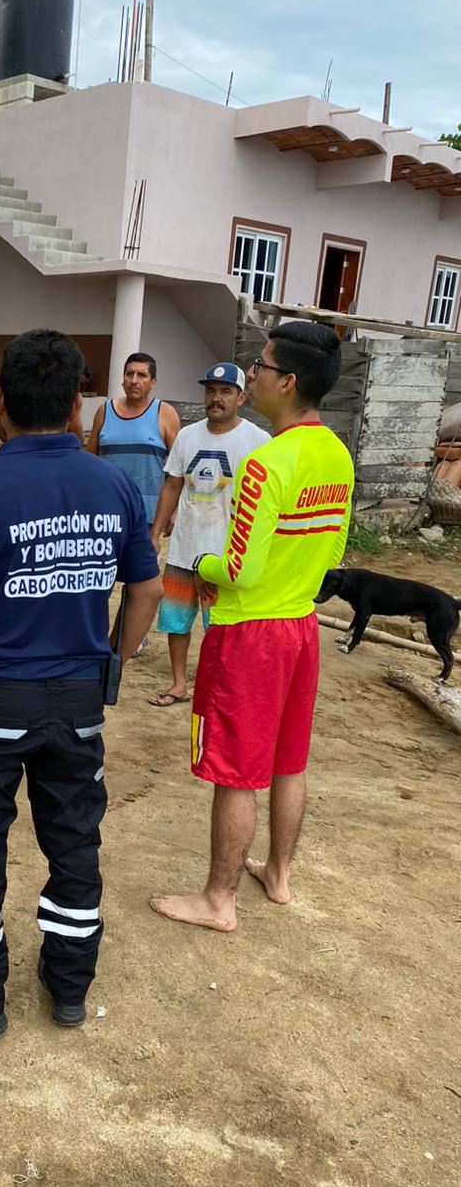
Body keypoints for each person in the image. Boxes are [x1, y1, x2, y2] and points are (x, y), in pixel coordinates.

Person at [0, 329, 163, 1040]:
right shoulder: (110, 484)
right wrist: (115, 659)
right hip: (77, 702)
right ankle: (69, 986)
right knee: (74, 843)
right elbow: (145, 590)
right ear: (79, 404)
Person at [150, 322, 354, 932]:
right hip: (299, 625)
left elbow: (238, 566)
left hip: (249, 633)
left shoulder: (267, 462)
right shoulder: (336, 455)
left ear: (287, 381)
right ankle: (280, 874)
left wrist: (202, 567)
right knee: (289, 760)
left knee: (236, 768)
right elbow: (334, 551)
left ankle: (219, 898)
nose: (254, 374)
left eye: (262, 366)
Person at [147, 363, 269, 707]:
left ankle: (218, 690)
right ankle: (177, 684)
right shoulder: (188, 435)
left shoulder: (259, 441)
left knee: (222, 629)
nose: (216, 398)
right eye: (211, 391)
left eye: (226, 391)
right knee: (176, 620)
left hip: (225, 555)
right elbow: (172, 485)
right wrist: (156, 532)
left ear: (241, 397)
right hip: (185, 547)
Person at [86, 352, 181, 523]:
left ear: (153, 382)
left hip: (147, 515)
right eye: (129, 374)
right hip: (106, 512)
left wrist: (174, 511)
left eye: (142, 375)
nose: (134, 380)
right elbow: (90, 461)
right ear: (123, 379)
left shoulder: (165, 413)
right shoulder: (104, 411)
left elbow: (179, 470)